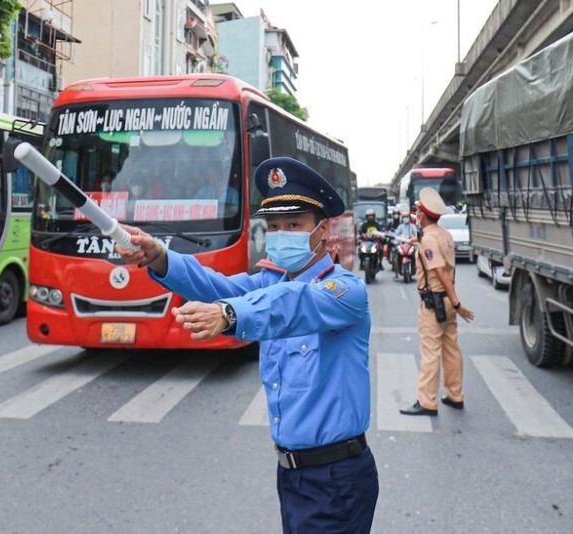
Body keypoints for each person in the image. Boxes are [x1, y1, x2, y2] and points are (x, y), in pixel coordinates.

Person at [116, 157, 379, 532]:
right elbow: (218, 286)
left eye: (294, 225)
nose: (281, 234)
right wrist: (159, 256)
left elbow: (294, 304)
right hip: (292, 476)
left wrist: (230, 314)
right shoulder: (269, 282)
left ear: (322, 230)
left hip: (335, 478)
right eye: (273, 227)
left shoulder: (344, 291)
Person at [400, 187, 475, 416]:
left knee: (430, 352)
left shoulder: (429, 241)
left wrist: (456, 303)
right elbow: (435, 252)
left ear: (422, 214)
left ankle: (427, 402)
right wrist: (419, 242)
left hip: (435, 304)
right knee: (451, 348)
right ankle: (455, 395)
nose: (415, 215)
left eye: (417, 212)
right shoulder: (443, 235)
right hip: (446, 303)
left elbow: (440, 271)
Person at [392, 213, 419, 279]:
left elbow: (416, 233)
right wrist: (395, 239)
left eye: (407, 217)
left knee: (418, 256)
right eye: (404, 217)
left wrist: (415, 238)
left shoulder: (412, 226)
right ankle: (396, 273)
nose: (405, 218)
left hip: (411, 244)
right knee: (395, 256)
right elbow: (396, 234)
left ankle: (419, 270)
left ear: (409, 218)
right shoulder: (400, 226)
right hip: (402, 244)